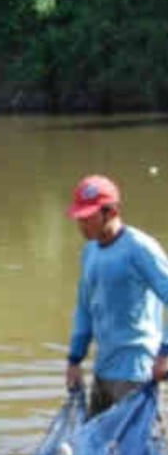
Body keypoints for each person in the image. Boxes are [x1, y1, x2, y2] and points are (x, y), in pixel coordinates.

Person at [64, 173, 168, 417]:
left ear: (110, 212)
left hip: (137, 373)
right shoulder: (89, 252)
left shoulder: (140, 249)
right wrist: (75, 359)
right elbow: (84, 308)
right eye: (80, 218)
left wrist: (164, 354)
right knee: (96, 447)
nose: (82, 224)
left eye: (88, 218)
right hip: (104, 370)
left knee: (139, 450)